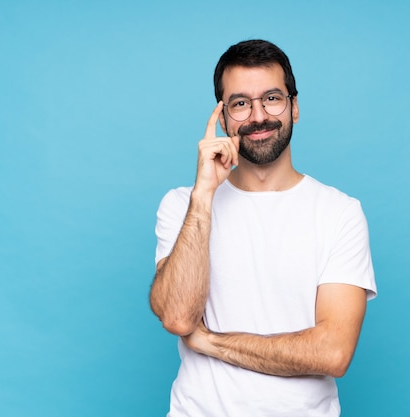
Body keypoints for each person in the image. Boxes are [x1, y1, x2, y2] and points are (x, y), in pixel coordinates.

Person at [150, 39, 377, 417]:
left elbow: (333, 352)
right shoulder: (183, 205)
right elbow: (177, 317)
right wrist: (205, 193)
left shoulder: (340, 212)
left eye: (272, 98)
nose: (258, 116)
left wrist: (210, 343)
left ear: (295, 107)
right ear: (223, 118)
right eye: (240, 103)